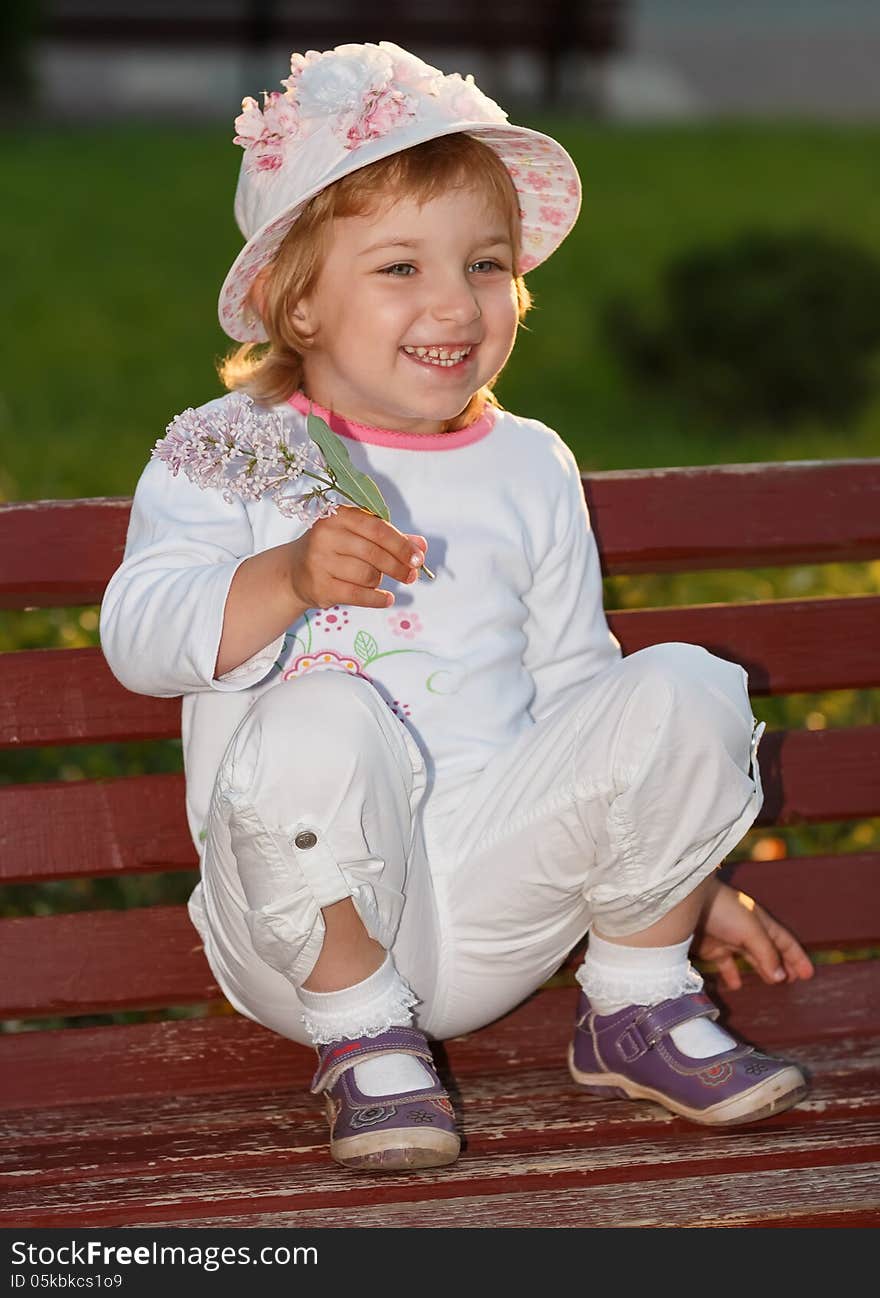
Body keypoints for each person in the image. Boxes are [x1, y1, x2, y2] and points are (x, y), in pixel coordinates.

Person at [100, 41, 814, 1173]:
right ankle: (362, 1037)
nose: (454, 301)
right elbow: (138, 636)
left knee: (687, 684)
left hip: (499, 901)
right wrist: (281, 578)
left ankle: (633, 1002)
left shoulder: (527, 462)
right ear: (298, 303)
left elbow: (582, 688)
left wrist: (678, 877)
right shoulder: (233, 452)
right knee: (321, 711)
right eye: (399, 269)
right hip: (301, 927)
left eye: (485, 263)